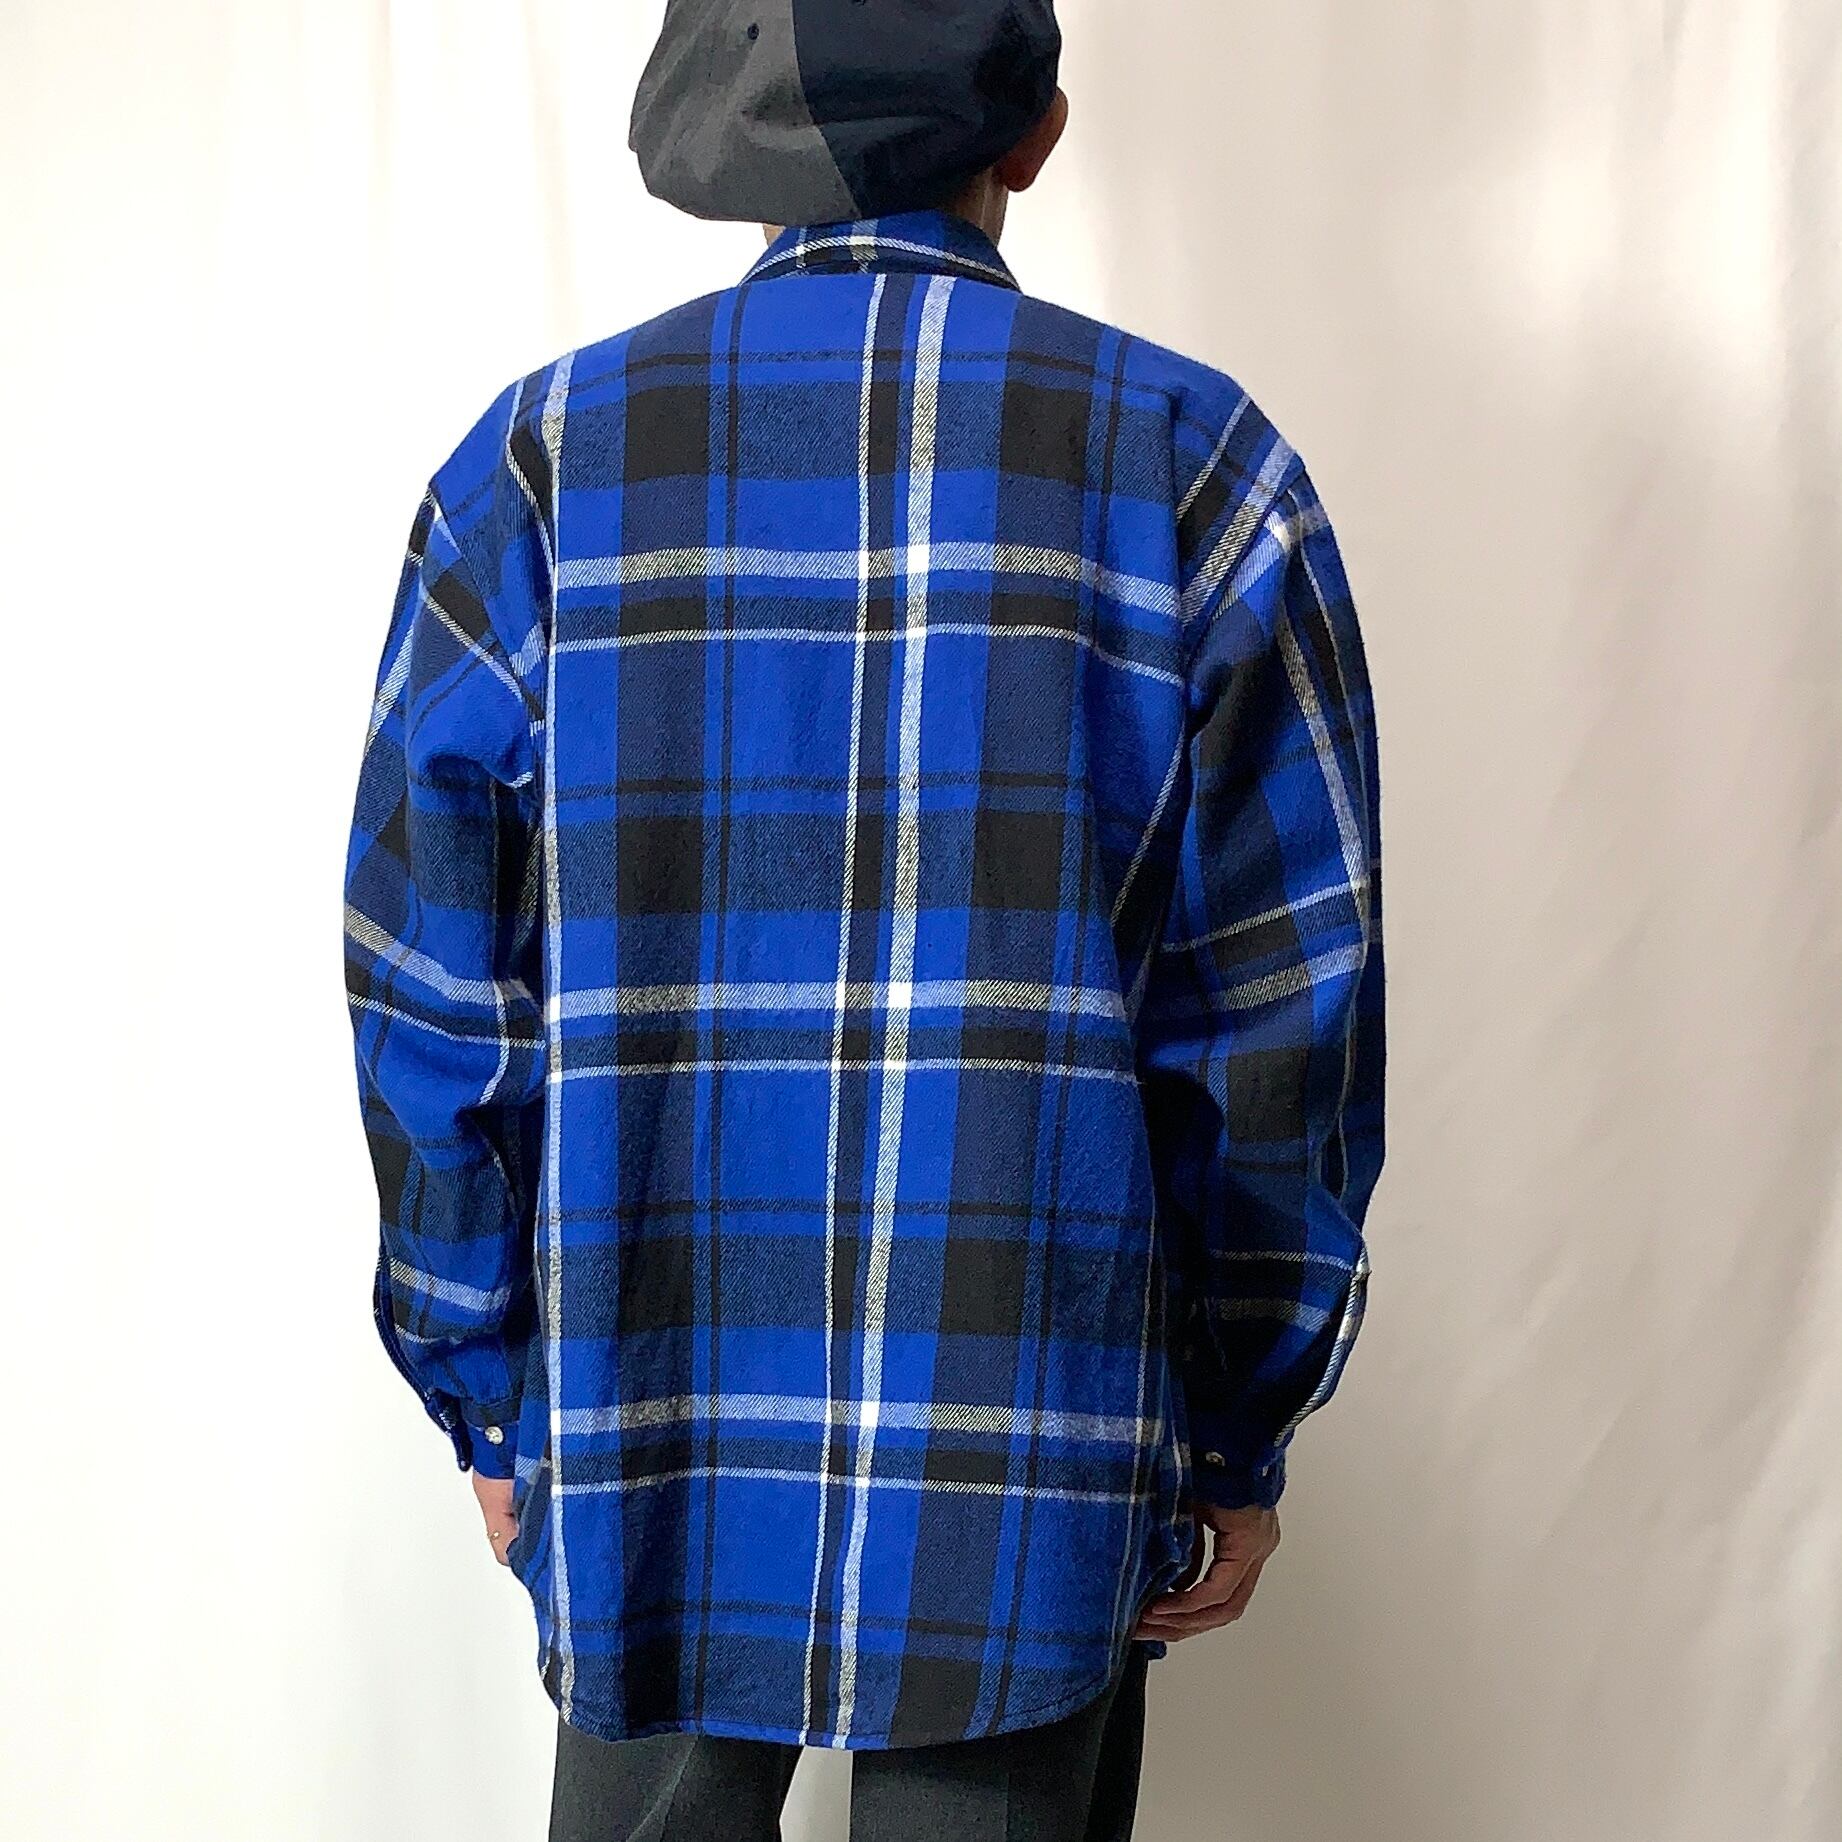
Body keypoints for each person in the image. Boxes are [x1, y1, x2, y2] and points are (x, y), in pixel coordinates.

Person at [341, 3, 1386, 1836]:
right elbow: (1278, 1015)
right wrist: (1234, 1423)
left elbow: (433, 1000)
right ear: (1035, 132)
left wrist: (488, 1389)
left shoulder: (535, 472)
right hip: (1029, 1450)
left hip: (649, 1425)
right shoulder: (1196, 470)